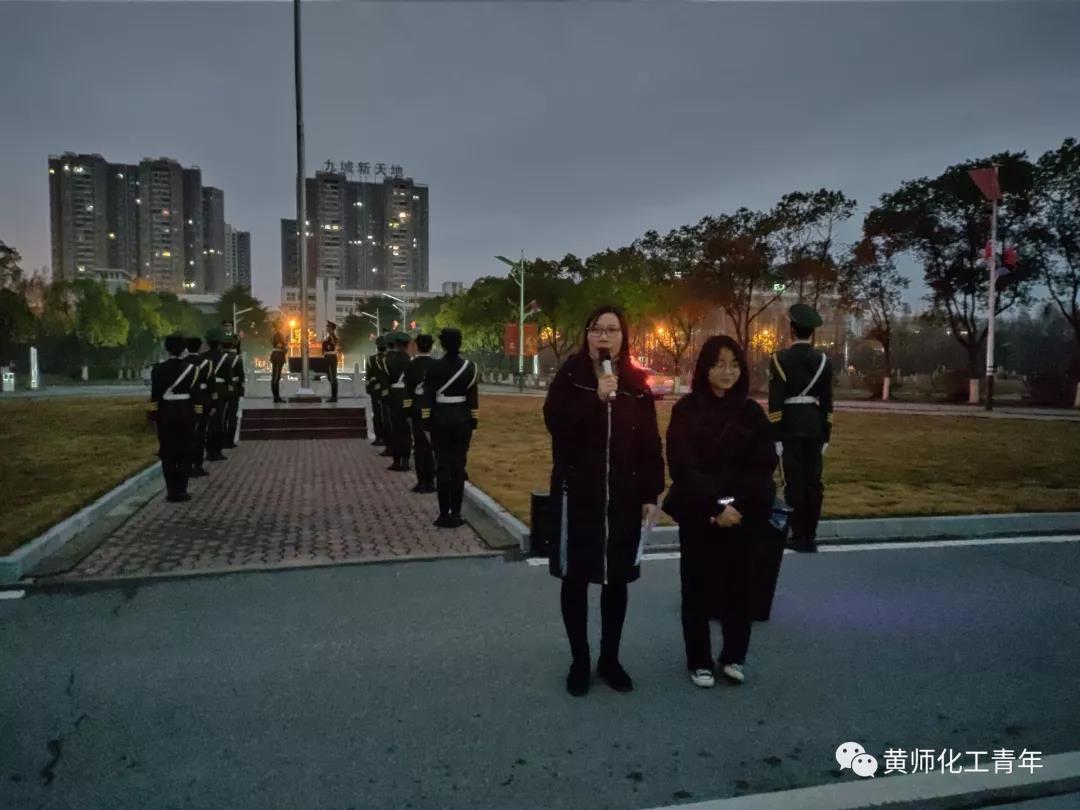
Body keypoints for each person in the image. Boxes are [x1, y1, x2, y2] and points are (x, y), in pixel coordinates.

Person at [543, 306, 664, 697]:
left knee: (616, 580)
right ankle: (580, 660)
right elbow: (555, 423)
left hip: (623, 496)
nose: (604, 336)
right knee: (576, 579)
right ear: (587, 335)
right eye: (597, 329)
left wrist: (651, 492)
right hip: (578, 494)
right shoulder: (571, 375)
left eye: (612, 330)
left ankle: (610, 658)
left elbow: (650, 441)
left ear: (623, 337)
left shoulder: (636, 383)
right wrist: (595, 397)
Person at [663, 335, 777, 688]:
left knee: (740, 587)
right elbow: (682, 466)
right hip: (700, 511)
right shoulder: (686, 410)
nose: (727, 372)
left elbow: (763, 464)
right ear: (705, 368)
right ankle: (699, 660)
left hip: (742, 513)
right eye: (719, 364)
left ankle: (734, 656)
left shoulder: (751, 412)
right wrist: (714, 508)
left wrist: (737, 506)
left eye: (734, 364)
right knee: (696, 587)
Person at [767, 303, 834, 553]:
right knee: (813, 482)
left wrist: (775, 436)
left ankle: (797, 535)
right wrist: (826, 435)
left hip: (790, 427)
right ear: (812, 332)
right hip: (815, 427)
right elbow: (827, 402)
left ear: (792, 330)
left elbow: (776, 401)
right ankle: (810, 535)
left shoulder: (779, 359)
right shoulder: (824, 361)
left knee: (794, 482)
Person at [419, 328, 479, 527]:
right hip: (462, 420)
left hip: (439, 420)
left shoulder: (433, 368)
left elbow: (427, 397)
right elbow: (473, 400)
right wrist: (474, 424)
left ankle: (444, 514)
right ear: (460, 343)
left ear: (442, 344)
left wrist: (426, 423)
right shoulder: (470, 367)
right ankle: (456, 513)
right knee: (459, 468)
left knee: (443, 467)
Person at [149, 334, 197, 503]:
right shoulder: (191, 369)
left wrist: (154, 415)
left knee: (167, 452)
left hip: (166, 414)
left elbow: (154, 396)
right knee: (185, 451)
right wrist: (197, 415)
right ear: (184, 349)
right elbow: (195, 395)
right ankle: (182, 489)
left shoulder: (158, 369)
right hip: (186, 412)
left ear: (167, 349)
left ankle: (171, 491)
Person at [404, 333, 436, 493]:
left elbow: (408, 392)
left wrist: (407, 412)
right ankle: (431, 482)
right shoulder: (437, 365)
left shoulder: (411, 365)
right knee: (432, 446)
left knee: (419, 446)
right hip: (433, 410)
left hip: (416, 410)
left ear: (416, 346)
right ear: (431, 347)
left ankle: (421, 482)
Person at [384, 332, 414, 471]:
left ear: (395, 344)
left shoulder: (389, 360)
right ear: (407, 346)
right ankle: (406, 461)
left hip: (394, 396)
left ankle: (396, 462)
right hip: (407, 396)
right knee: (406, 430)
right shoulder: (410, 361)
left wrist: (386, 399)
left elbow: (385, 381)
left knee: (396, 430)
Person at [184, 335, 211, 478]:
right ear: (200, 347)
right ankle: (198, 465)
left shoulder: (183, 363)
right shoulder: (205, 363)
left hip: (186, 402)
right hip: (202, 400)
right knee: (200, 434)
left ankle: (187, 465)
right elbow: (211, 384)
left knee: (187, 435)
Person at [203, 328, 229, 462]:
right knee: (218, 422)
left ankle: (208, 451)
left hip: (206, 392)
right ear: (220, 343)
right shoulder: (224, 358)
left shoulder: (202, 357)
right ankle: (216, 451)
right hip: (220, 392)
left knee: (206, 422)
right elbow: (228, 377)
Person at [366, 336, 388, 445]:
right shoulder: (387, 358)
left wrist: (370, 390)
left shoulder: (372, 359)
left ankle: (381, 437)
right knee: (383, 415)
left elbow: (368, 377)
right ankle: (383, 437)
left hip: (379, 391)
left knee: (379, 414)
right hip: (384, 391)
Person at [270, 321, 288, 404]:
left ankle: (276, 397)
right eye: (280, 324)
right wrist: (285, 345)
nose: (281, 326)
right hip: (278, 356)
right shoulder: (277, 335)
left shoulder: (278, 334)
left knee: (276, 377)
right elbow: (279, 345)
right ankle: (276, 397)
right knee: (276, 377)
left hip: (279, 356)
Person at [323, 321, 340, 403]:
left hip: (331, 358)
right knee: (330, 377)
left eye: (328, 327)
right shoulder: (328, 336)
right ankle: (333, 396)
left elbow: (335, 344)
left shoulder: (332, 336)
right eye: (327, 327)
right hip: (328, 357)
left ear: (331, 328)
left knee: (333, 377)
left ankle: (334, 397)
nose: (327, 328)